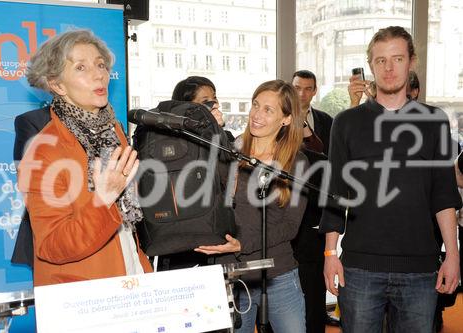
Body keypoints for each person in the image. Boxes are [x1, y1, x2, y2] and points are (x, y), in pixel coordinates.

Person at [320, 26, 461, 333]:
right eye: (380, 60)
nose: (389, 67)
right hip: (359, 269)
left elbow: (444, 195)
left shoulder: (433, 120)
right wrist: (330, 253)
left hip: (421, 269)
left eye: (397, 58)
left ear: (411, 62)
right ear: (370, 65)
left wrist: (453, 254)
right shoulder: (346, 122)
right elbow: (335, 193)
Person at [17, 30, 152, 286]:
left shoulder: (113, 133)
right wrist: (103, 199)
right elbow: (51, 245)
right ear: (57, 85)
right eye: (81, 67)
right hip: (82, 295)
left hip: (131, 279)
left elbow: (127, 224)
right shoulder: (43, 151)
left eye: (100, 64)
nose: (98, 74)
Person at [195, 80, 308, 333]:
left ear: (287, 119)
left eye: (269, 110)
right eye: (256, 105)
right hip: (230, 276)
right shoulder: (230, 151)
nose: (257, 114)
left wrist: (243, 243)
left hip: (278, 275)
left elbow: (290, 227)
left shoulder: (296, 162)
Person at [155, 75, 233, 271]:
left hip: (213, 232)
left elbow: (229, 175)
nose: (213, 105)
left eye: (214, 99)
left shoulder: (223, 136)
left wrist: (218, 131)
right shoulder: (167, 141)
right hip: (179, 237)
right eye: (205, 102)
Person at [291, 70, 333, 333]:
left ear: (315, 91)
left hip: (317, 213)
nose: (302, 93)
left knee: (314, 283)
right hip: (287, 206)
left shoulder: (326, 121)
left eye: (308, 89)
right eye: (297, 88)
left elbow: (332, 160)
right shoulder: (281, 119)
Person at [11, 106, 51, 268]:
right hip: (53, 233)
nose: (99, 78)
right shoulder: (34, 121)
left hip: (113, 233)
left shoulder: (113, 123)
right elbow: (30, 180)